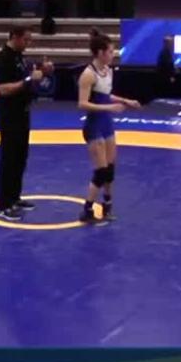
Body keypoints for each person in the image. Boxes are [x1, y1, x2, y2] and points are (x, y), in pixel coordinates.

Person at [77, 34, 139, 224]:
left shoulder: (108, 71)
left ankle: (107, 206)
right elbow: (82, 104)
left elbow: (106, 95)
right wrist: (109, 108)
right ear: (100, 53)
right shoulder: (88, 74)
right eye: (110, 51)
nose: (113, 54)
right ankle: (87, 211)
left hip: (106, 125)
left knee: (110, 170)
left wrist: (125, 101)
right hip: (94, 125)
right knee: (101, 172)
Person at [0, 27, 52, 221]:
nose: (28, 44)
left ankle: (14, 197)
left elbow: (27, 81)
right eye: (26, 40)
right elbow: (3, 89)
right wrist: (28, 80)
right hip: (9, 115)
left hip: (22, 113)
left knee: (20, 157)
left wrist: (42, 72)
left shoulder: (20, 58)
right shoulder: (3, 58)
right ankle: (4, 205)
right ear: (15, 37)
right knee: (8, 159)